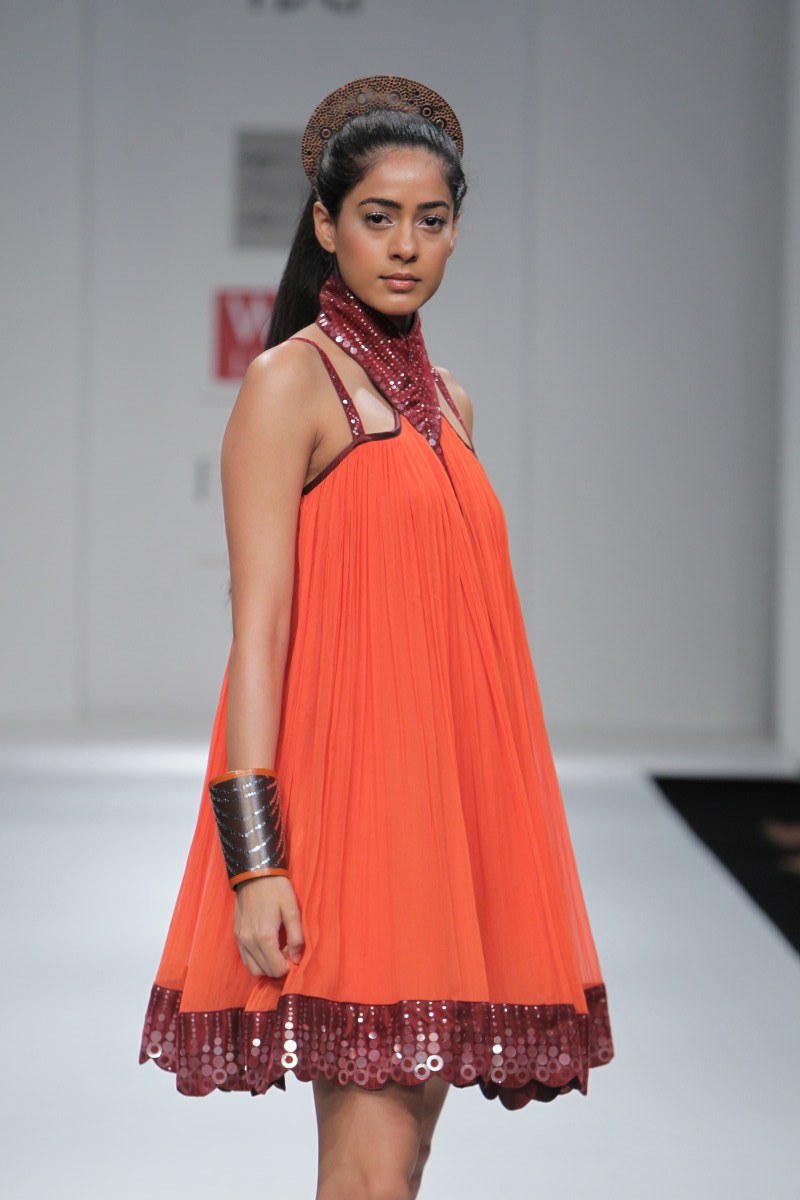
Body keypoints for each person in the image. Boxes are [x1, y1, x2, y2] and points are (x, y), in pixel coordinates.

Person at [139, 76, 614, 1199]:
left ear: (456, 229)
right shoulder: (288, 386)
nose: (405, 246)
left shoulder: (450, 403)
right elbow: (257, 635)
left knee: (399, 1166)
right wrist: (257, 863)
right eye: (377, 216)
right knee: (370, 1172)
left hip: (447, 829)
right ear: (325, 223)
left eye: (430, 220)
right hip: (351, 833)